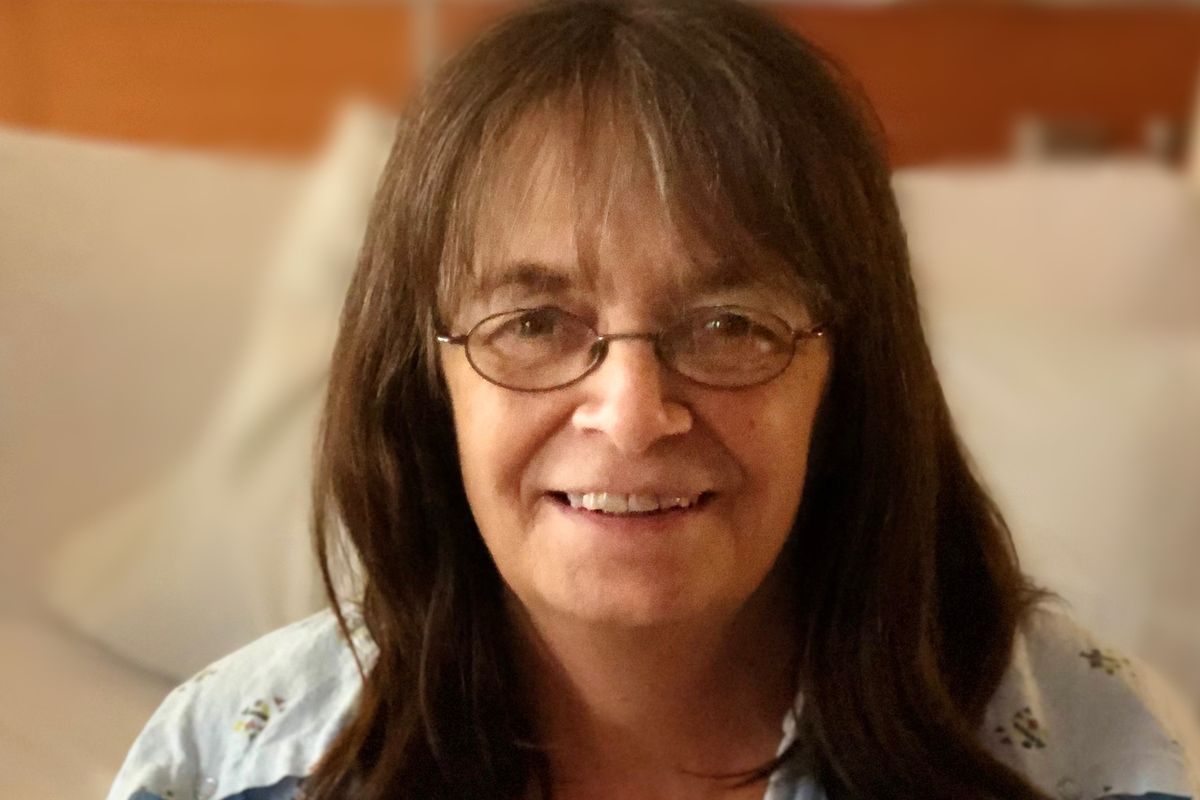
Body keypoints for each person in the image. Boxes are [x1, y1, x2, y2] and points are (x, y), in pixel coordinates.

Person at [107, 1, 1199, 799]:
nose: (630, 415)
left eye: (729, 325)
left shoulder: (1093, 756)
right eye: (534, 323)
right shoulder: (223, 763)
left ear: (847, 380)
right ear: (425, 382)